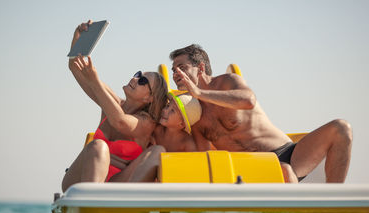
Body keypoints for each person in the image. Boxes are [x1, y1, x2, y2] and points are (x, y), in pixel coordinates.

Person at [169, 44, 352, 183]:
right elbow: (205, 154)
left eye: (182, 68)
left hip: (287, 155)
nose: (176, 74)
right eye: (173, 70)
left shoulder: (227, 82)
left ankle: (334, 204)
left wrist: (200, 93)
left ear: (200, 68)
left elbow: (248, 100)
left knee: (341, 128)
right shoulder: (194, 113)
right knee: (282, 170)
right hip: (249, 171)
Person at [61, 21, 168, 192]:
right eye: (137, 74)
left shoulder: (146, 122)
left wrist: (94, 80)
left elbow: (121, 122)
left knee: (157, 151)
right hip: (80, 180)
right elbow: (75, 67)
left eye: (142, 81)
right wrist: (79, 40)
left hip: (116, 184)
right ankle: (91, 202)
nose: (134, 79)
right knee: (98, 146)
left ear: (149, 98)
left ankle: (121, 204)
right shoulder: (112, 102)